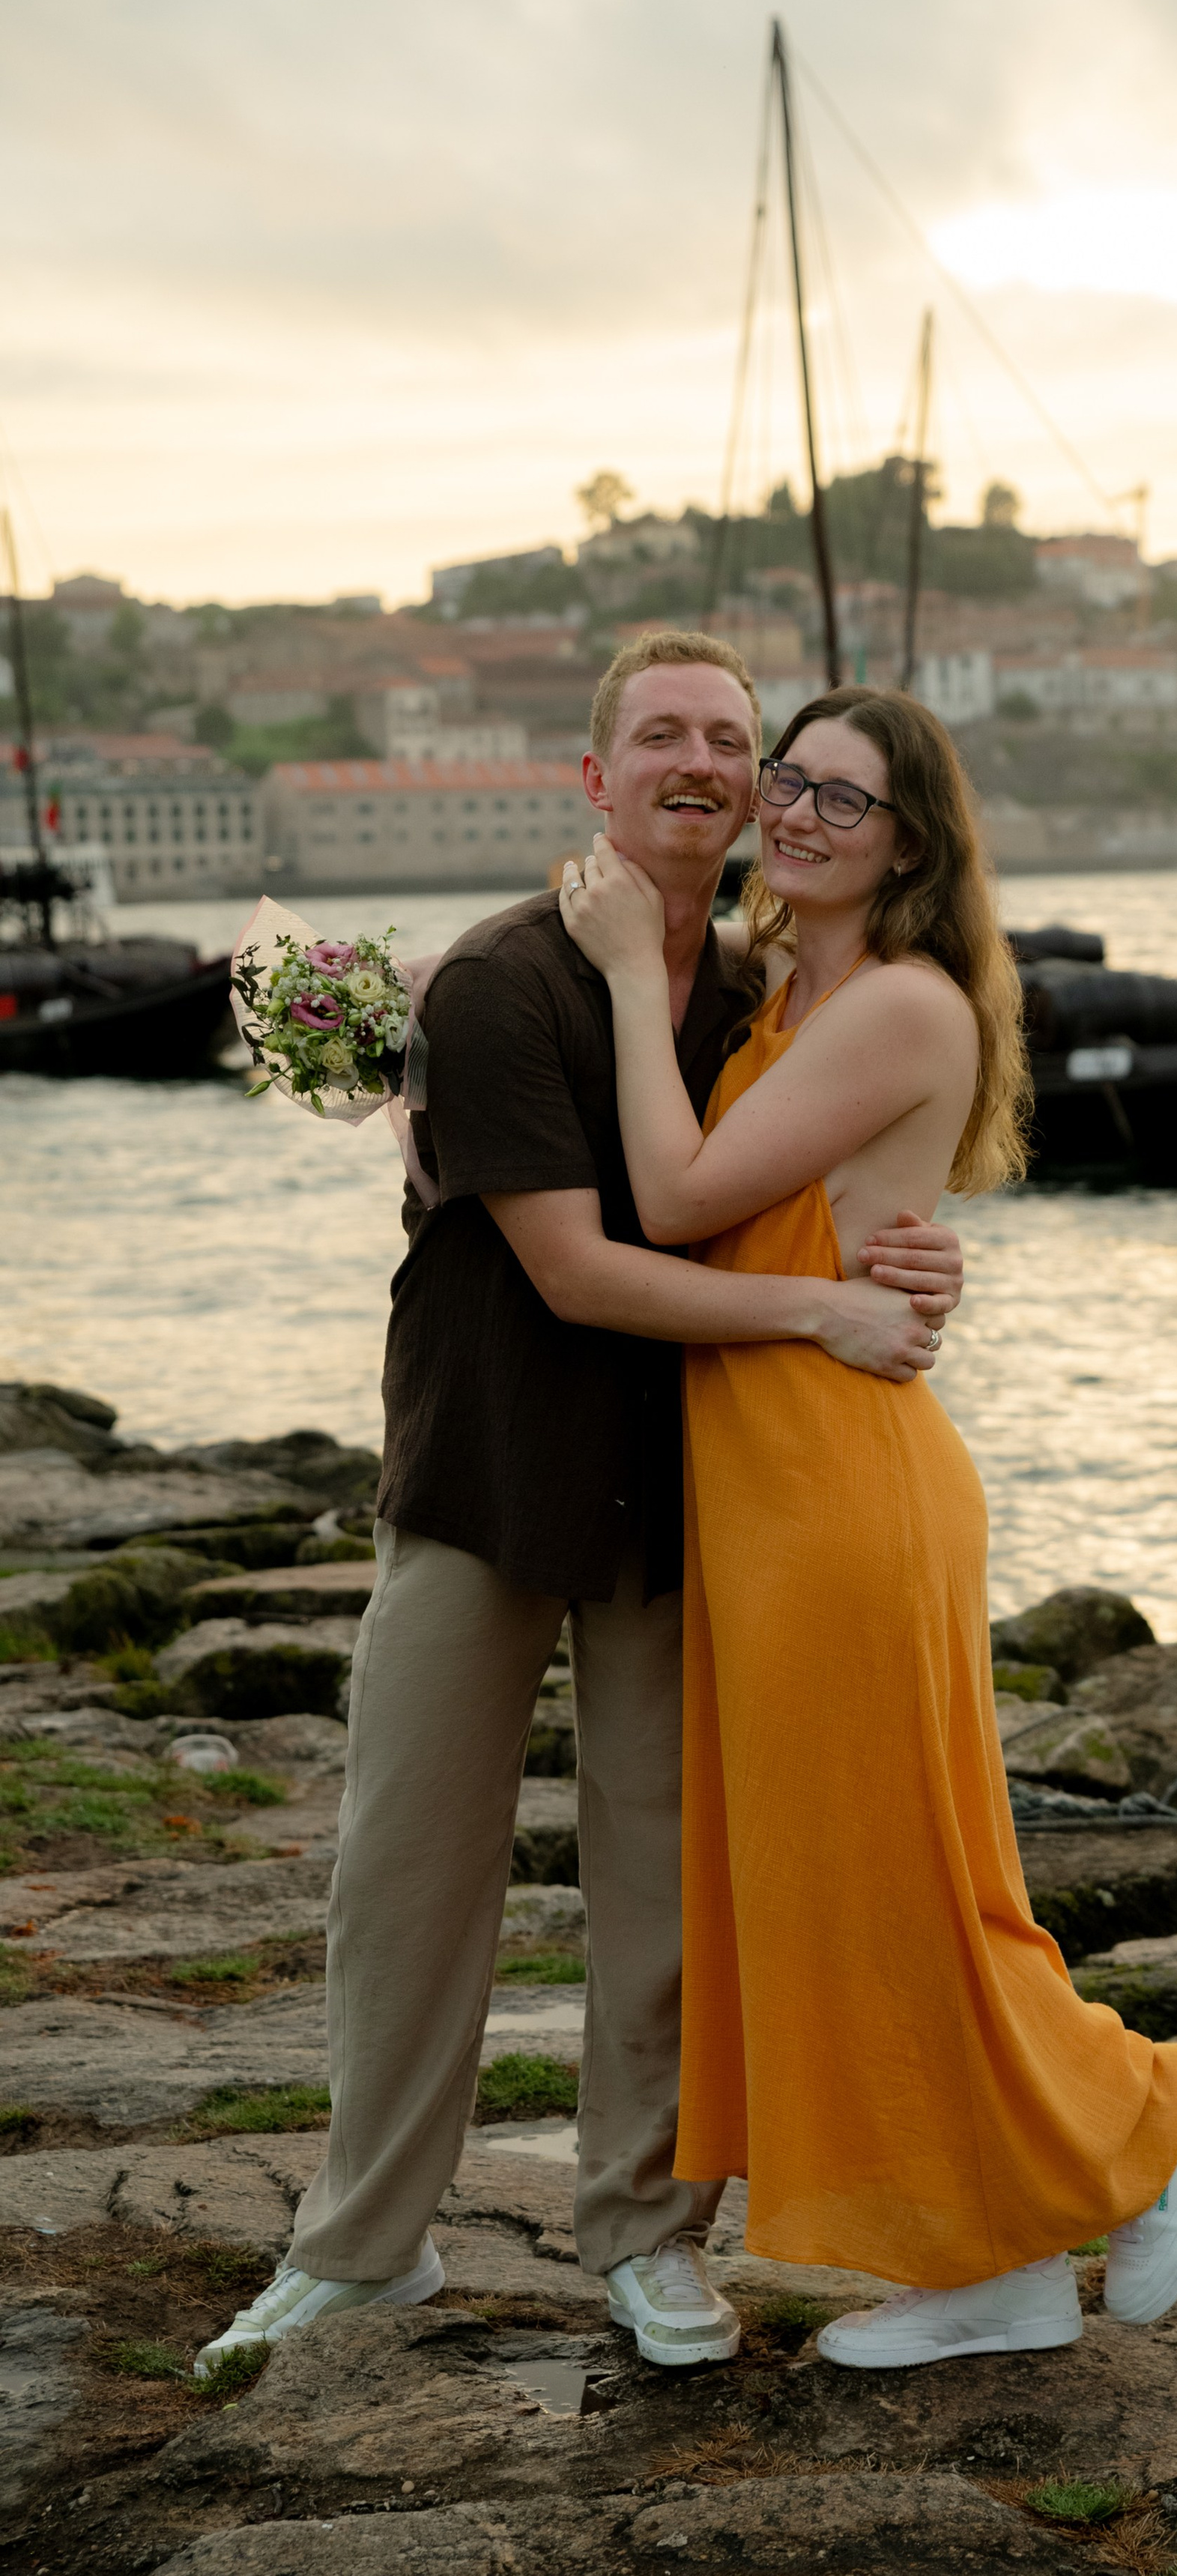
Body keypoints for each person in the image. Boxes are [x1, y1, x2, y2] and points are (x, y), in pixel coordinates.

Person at [196, 632, 966, 2380]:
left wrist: (910, 1260)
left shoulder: (768, 1005)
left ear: (760, 786)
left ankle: (647, 2236)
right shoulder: (498, 983)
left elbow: (833, 1180)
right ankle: (363, 2246)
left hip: (695, 1493)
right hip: (483, 1476)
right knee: (408, 1872)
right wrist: (826, 1312)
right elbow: (576, 1273)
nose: (702, 763)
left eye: (732, 740)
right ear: (594, 777)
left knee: (662, 1883)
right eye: (663, 737)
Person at [559, 684, 1177, 2370]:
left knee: (904, 1883)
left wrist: (639, 988)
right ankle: (986, 2268)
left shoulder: (903, 1005)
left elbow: (676, 1202)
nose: (788, 814)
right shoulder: (795, 982)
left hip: (843, 1484)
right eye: (785, 781)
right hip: (773, 1477)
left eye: (837, 802)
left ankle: (1157, 2108)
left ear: (912, 843)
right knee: (837, 1891)